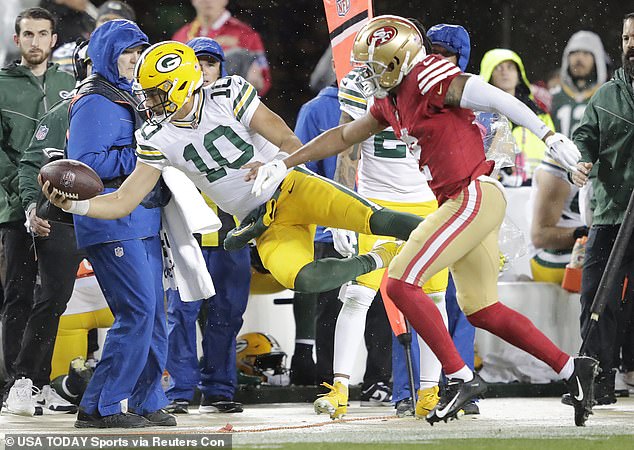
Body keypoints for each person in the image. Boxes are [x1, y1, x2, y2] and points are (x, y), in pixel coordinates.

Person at [247, 15, 598, 427]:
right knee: (482, 309)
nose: (368, 72)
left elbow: (494, 97)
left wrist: (548, 135)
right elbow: (344, 138)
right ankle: (573, 370)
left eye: (376, 64)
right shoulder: (390, 98)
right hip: (466, 200)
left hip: (468, 196)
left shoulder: (430, 75)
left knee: (398, 282)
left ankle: (460, 377)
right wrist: (285, 163)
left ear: (401, 60)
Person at [42, 40, 421, 331]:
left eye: (155, 93)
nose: (148, 102)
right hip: (261, 222)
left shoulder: (228, 95)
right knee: (305, 279)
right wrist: (75, 206)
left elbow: (290, 142)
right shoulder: (157, 137)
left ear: (180, 86)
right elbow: (124, 200)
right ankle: (382, 257)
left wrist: (276, 163)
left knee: (381, 219)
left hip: (291, 187)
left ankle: (452, 231)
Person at [64, 19, 172, 428]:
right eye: (127, 51)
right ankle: (99, 407)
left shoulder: (131, 95)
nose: (135, 59)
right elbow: (87, 166)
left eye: (139, 51)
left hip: (142, 218)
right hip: (111, 221)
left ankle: (147, 398)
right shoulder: (95, 99)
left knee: (156, 314)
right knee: (138, 311)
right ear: (107, 53)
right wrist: (148, 153)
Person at [164, 37, 251, 415]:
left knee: (226, 314)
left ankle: (219, 389)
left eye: (211, 63)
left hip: (231, 231)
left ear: (222, 69)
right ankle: (179, 390)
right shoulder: (166, 116)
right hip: (186, 229)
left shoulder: (238, 110)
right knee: (179, 314)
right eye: (195, 62)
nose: (203, 69)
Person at [0, 6, 75, 414]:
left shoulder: (71, 84)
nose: (35, 41)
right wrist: (25, 192)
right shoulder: (1, 84)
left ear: (53, 40)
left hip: (62, 207)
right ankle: (12, 385)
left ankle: (39, 382)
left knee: (53, 296)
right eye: (27, 34)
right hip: (15, 207)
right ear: (17, 40)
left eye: (42, 34)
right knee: (18, 296)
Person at [570, 11, 634, 409]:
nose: (632, 45)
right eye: (628, 38)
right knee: (596, 298)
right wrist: (580, 160)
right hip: (612, 212)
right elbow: (585, 138)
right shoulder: (606, 95)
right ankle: (596, 378)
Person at [425, 22, 479, 416]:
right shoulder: (415, 95)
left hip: (468, 211)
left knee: (468, 304)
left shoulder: (479, 100)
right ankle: (421, 390)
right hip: (427, 210)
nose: (436, 61)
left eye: (444, 55)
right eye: (432, 53)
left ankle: (462, 387)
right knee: (425, 299)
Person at [479, 48, 555, 185]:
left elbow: (553, 154)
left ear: (519, 74)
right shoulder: (479, 118)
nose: (505, 72)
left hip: (535, 190)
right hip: (496, 188)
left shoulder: (540, 116)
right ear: (488, 73)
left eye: (510, 67)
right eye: (498, 67)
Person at [172, 0, 271, 95]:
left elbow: (261, 82)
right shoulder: (181, 36)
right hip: (190, 108)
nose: (208, 1)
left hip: (229, 108)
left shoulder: (246, 35)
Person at [550, 31, 608, 139]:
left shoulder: (608, 100)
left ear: (597, 60)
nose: (579, 58)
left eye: (586, 53)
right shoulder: (552, 98)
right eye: (574, 53)